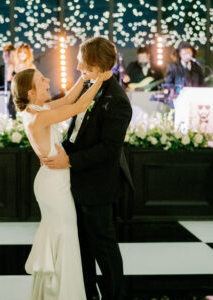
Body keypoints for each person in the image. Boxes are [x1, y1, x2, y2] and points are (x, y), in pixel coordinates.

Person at [42, 37, 133, 300]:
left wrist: (68, 161)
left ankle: (115, 295)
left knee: (103, 246)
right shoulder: (88, 87)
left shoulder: (117, 100)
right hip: (76, 181)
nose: (80, 69)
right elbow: (76, 130)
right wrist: (62, 152)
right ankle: (86, 293)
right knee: (80, 246)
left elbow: (108, 150)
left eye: (85, 66)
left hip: (97, 185)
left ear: (102, 67)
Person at [12, 67, 111, 300]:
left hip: (53, 181)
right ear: (31, 92)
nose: (48, 79)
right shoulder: (39, 115)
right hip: (53, 186)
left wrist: (84, 79)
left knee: (61, 235)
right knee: (64, 236)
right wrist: (99, 80)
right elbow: (76, 107)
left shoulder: (37, 109)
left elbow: (68, 99)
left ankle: (55, 292)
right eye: (42, 79)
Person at [0, 44, 16, 118]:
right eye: (3, 54)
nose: (3, 56)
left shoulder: (16, 69)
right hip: (1, 96)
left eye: (5, 54)